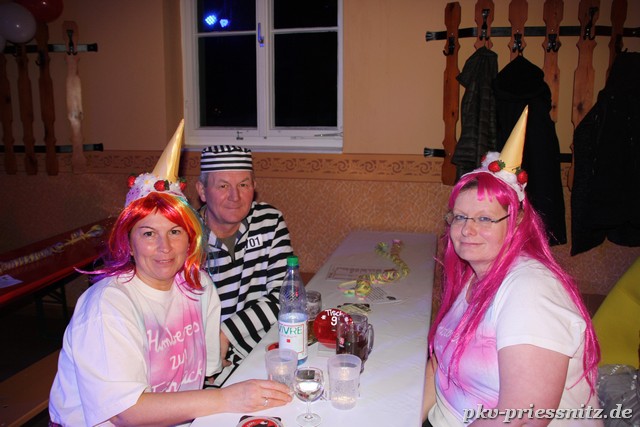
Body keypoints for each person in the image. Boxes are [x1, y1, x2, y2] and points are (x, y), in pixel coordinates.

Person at [49, 122, 291, 426]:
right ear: (129, 242)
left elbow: (208, 373)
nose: (164, 247)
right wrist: (227, 398)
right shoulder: (108, 306)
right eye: (149, 233)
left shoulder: (199, 287)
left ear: (191, 238)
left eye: (175, 232)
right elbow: (126, 413)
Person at [422, 107, 602, 426]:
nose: (467, 229)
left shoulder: (530, 291)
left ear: (516, 223)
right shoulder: (474, 275)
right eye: (460, 217)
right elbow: (439, 366)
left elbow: (521, 418)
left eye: (485, 218)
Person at [196, 145, 294, 386]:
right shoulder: (184, 236)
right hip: (203, 358)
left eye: (243, 185)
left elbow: (287, 295)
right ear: (202, 191)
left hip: (261, 346)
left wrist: (226, 333)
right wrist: (211, 349)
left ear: (254, 187)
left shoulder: (269, 221)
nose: (235, 196)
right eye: (223, 186)